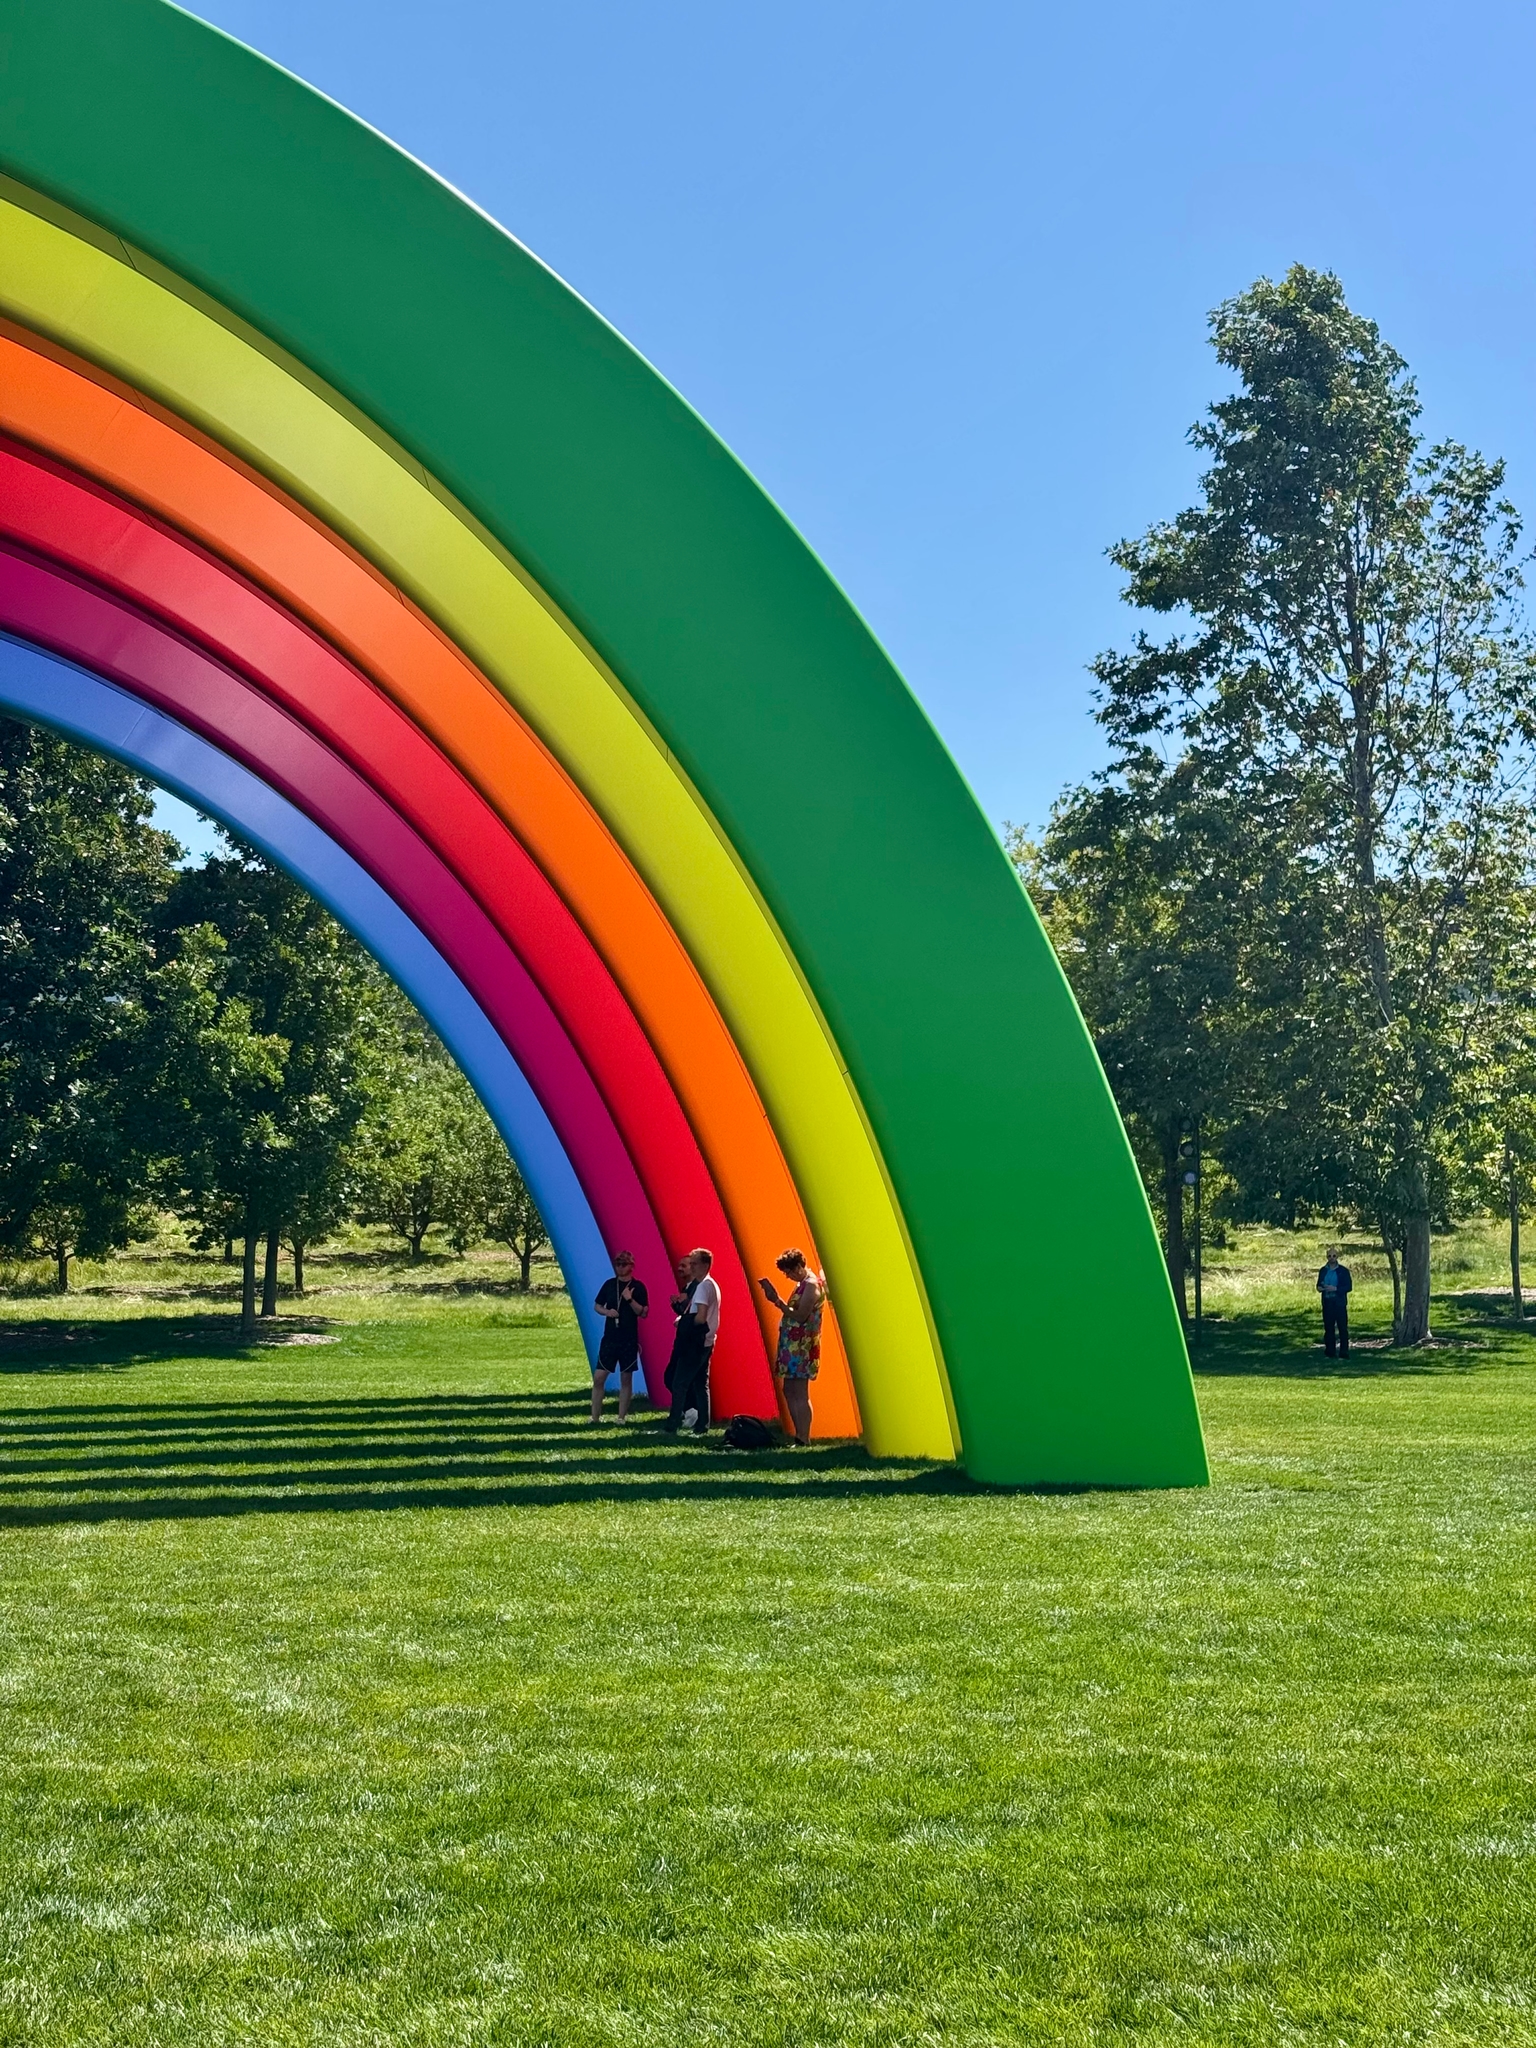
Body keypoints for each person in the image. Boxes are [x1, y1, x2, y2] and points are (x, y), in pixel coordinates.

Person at [758, 1249, 824, 1445]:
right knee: (789, 1389)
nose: (788, 1276)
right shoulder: (802, 1284)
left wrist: (778, 1302)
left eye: (789, 1271)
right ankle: (799, 1434)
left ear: (798, 1267)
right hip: (793, 1344)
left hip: (802, 1346)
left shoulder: (811, 1285)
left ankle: (804, 1436)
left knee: (800, 1391)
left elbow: (801, 1315)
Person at [663, 1247, 718, 1436]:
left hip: (696, 1341)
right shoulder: (710, 1284)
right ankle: (703, 1425)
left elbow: (701, 1317)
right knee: (701, 1383)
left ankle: (673, 1425)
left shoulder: (703, 1287)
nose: (691, 1268)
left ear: (704, 1265)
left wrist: (685, 1323)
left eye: (694, 1264)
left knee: (679, 1382)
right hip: (707, 1341)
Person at [591, 1250, 648, 1422]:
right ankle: (594, 1417)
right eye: (618, 1264)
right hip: (610, 1337)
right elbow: (597, 1305)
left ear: (631, 1267)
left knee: (626, 1377)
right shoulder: (609, 1284)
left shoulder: (638, 1287)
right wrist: (607, 1312)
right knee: (599, 1377)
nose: (620, 1267)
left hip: (628, 1338)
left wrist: (629, 1299)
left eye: (624, 1264)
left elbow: (643, 1312)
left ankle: (621, 1417)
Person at [1317, 1246, 1352, 1357]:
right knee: (1328, 1328)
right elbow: (1318, 1285)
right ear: (1326, 1257)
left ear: (1337, 1257)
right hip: (1327, 1302)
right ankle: (1330, 1351)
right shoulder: (1323, 1271)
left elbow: (1348, 1286)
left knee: (1342, 1328)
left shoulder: (1343, 1271)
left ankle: (1344, 1351)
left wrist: (1336, 1289)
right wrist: (1320, 1288)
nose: (1331, 1258)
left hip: (1339, 1303)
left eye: (1334, 1256)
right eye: (1329, 1256)